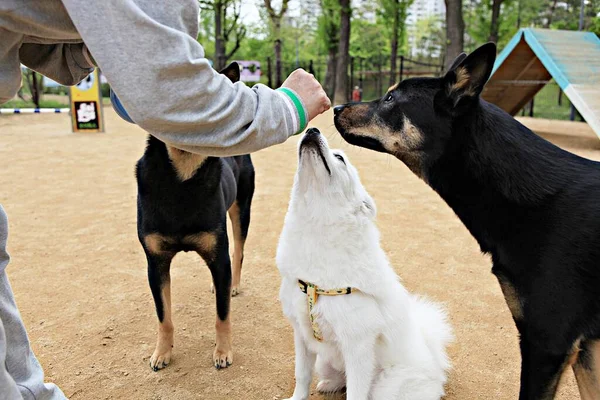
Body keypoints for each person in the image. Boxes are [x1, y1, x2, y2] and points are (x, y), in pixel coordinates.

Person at [0, 1, 331, 398]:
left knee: (234, 235)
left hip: (211, 193)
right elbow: (175, 98)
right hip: (163, 195)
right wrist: (289, 106)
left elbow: (58, 55)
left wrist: (115, 48)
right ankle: (164, 333)